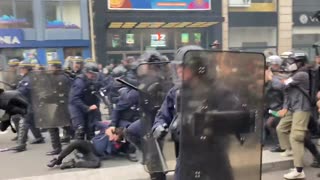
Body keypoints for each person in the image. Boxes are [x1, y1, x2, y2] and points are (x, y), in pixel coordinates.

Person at [267, 52, 311, 179]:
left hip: (301, 108)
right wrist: (285, 107)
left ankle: (299, 171)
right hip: (292, 108)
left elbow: (283, 85)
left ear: (299, 63)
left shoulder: (302, 74)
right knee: (281, 128)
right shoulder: (294, 74)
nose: (289, 64)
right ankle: (290, 150)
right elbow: (287, 92)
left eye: (292, 62)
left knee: (296, 137)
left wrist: (271, 77)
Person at [10, 60, 45, 152]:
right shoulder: (27, 77)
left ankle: (21, 144)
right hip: (31, 103)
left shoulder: (28, 79)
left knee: (25, 122)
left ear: (27, 69)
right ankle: (39, 137)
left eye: (22, 68)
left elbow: (24, 91)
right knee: (32, 121)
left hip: (30, 104)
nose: (20, 70)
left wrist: (14, 92)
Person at [43, 59, 72, 155]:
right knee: (62, 126)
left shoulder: (61, 78)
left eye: (51, 67)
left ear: (56, 67)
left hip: (61, 105)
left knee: (63, 126)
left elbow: (58, 93)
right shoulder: (56, 76)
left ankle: (58, 148)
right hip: (57, 105)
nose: (49, 68)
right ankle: (58, 147)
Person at [69, 62, 102, 140]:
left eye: (95, 74)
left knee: (91, 128)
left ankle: (90, 147)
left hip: (89, 105)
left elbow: (95, 96)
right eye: (91, 73)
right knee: (80, 129)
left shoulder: (93, 81)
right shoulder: (80, 82)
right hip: (77, 107)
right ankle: (79, 148)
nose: (93, 75)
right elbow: (74, 98)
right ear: (86, 72)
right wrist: (86, 108)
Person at [264, 55, 285, 152]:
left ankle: (281, 145)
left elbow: (280, 88)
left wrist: (270, 79)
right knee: (269, 124)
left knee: (270, 124)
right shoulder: (270, 77)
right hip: (272, 107)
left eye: (270, 64)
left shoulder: (279, 77)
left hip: (280, 108)